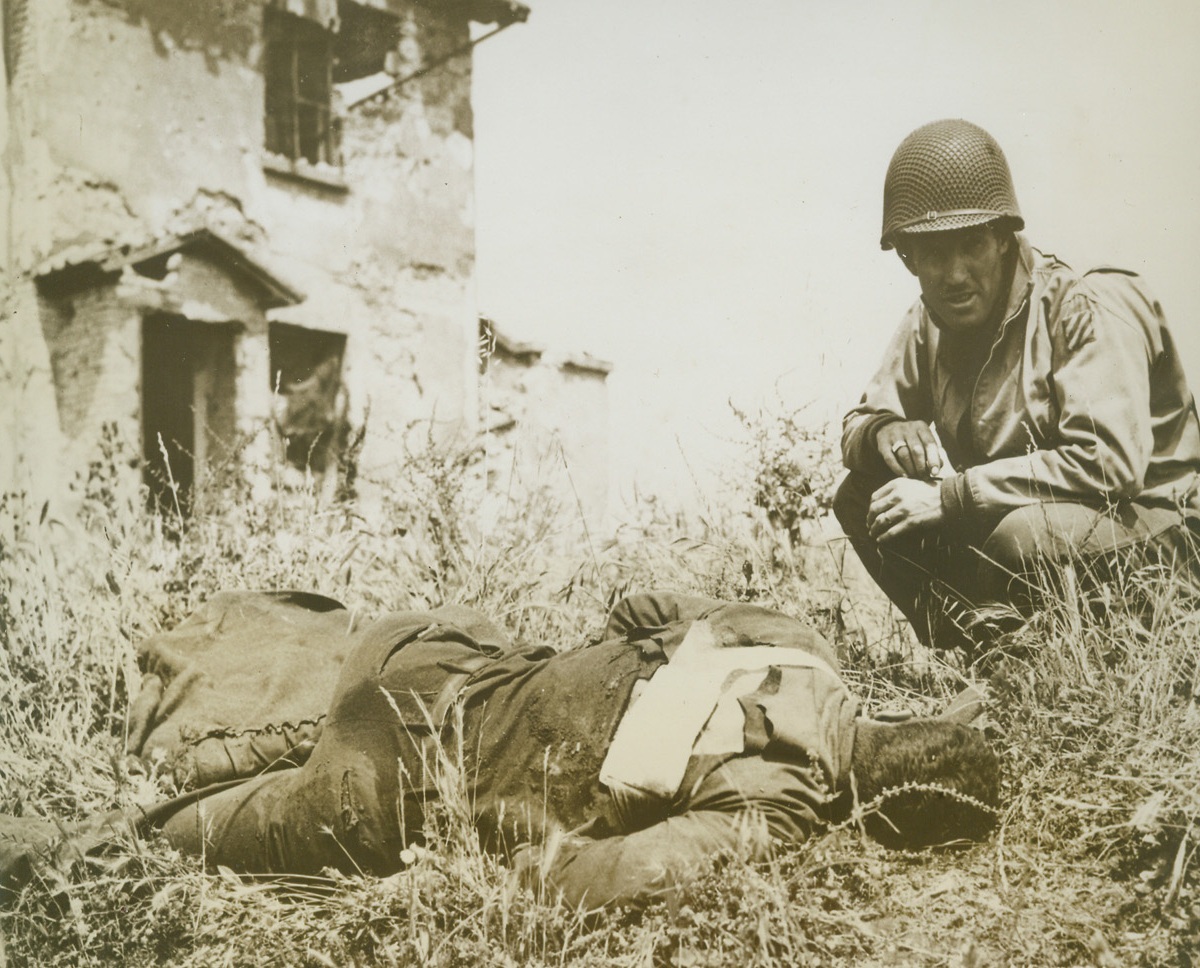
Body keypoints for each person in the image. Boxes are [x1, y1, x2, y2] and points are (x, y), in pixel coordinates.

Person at [1, 590, 1000, 911]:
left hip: (438, 651)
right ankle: (87, 826)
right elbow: (567, 880)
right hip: (395, 785)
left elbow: (643, 604)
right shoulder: (774, 800)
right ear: (883, 819)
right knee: (166, 837)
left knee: (287, 688)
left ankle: (202, 725)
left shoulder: (794, 640)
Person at [835, 119, 1200, 649]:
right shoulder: (930, 319)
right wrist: (885, 432)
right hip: (1043, 526)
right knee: (862, 494)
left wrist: (953, 495)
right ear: (908, 259)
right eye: (934, 253)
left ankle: (1103, 653)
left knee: (1020, 538)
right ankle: (985, 656)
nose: (955, 273)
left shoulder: (1084, 303)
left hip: (1165, 535)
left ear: (1004, 238)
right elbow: (858, 423)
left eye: (971, 244)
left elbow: (1107, 464)